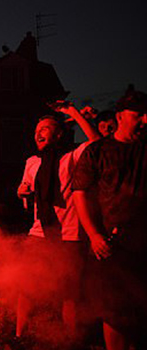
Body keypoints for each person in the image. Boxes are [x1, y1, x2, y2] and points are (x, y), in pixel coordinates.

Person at [15, 103, 101, 339]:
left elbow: (96, 142)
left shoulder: (72, 157)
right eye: (36, 130)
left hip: (70, 236)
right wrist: (21, 191)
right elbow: (24, 188)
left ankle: (70, 341)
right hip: (39, 233)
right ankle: (19, 337)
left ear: (59, 134)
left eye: (44, 128)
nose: (38, 133)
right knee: (26, 288)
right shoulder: (32, 162)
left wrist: (73, 113)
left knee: (69, 295)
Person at [72, 89, 147, 350]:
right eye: (138, 115)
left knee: (139, 314)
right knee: (114, 312)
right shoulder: (97, 151)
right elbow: (79, 193)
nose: (145, 121)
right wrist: (94, 235)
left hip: (143, 246)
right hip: (110, 245)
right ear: (120, 116)